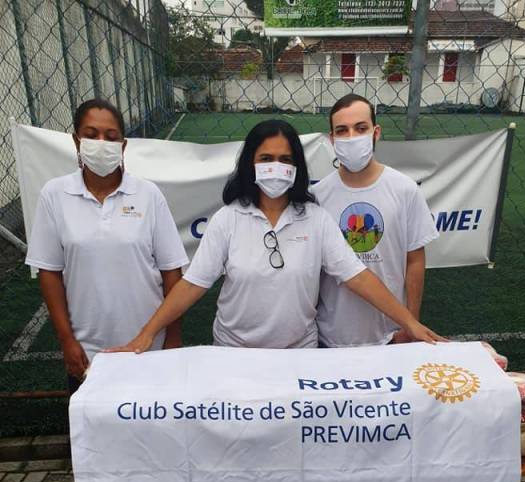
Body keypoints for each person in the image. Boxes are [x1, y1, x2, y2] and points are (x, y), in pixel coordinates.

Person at [109, 120, 443, 355]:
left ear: (297, 167)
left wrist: (410, 323)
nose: (276, 167)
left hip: (298, 353)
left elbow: (358, 277)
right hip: (234, 352)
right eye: (266, 159)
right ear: (250, 164)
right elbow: (192, 284)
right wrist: (146, 335)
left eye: (285, 160)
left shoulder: (316, 219)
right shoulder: (228, 219)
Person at [25, 98, 189, 392]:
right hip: (88, 352)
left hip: (148, 346)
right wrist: (67, 340)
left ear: (123, 146)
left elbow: (171, 271)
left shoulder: (148, 194)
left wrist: (173, 338)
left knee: (149, 419)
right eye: (91, 135)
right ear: (76, 141)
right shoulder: (55, 195)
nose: (101, 143)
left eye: (111, 137)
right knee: (92, 421)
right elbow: (49, 272)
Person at [315, 94, 439, 348]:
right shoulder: (317, 196)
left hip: (390, 335)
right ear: (332, 139)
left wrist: (410, 323)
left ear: (376, 132)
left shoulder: (404, 189)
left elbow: (415, 260)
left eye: (361, 128)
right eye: (342, 130)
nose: (352, 137)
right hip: (331, 337)